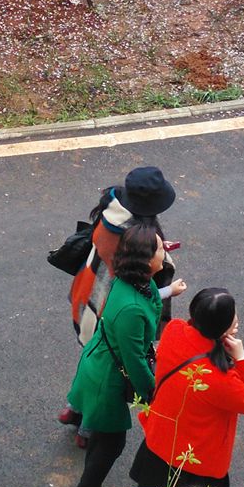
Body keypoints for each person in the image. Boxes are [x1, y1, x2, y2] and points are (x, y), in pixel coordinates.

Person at [64, 224, 187, 487]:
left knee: (101, 441)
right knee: (110, 445)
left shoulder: (132, 282)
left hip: (101, 365)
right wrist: (152, 395)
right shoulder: (132, 307)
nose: (165, 251)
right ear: (146, 261)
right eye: (160, 248)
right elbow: (134, 360)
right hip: (108, 380)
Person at [117, 288, 244, 487]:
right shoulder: (219, 378)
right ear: (224, 328)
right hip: (195, 461)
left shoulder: (174, 331)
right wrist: (242, 357)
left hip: (161, 441)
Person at [60, 167, 179, 443]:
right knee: (112, 373)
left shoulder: (110, 209)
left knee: (91, 358)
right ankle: (88, 429)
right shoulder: (131, 247)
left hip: (88, 292)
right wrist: (168, 289)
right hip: (109, 309)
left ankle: (73, 408)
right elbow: (139, 288)